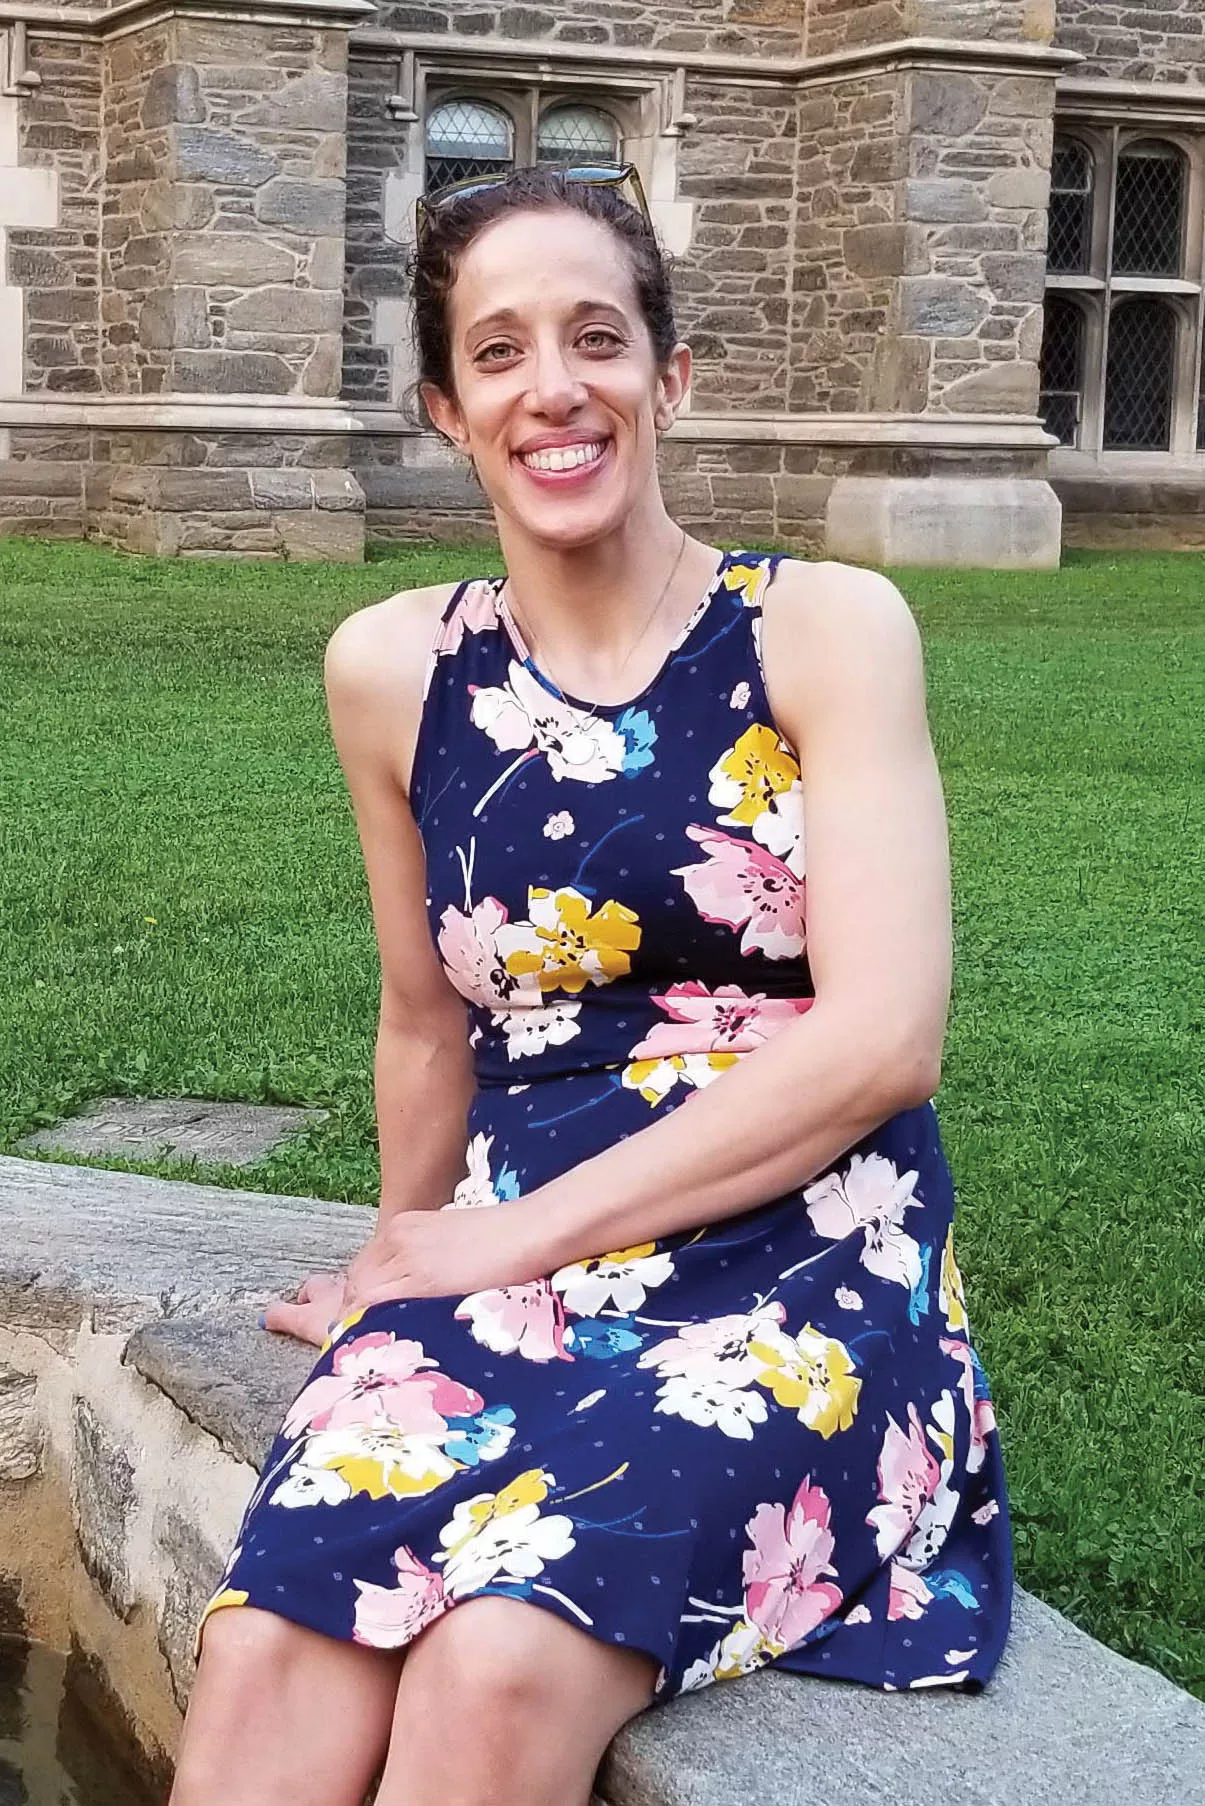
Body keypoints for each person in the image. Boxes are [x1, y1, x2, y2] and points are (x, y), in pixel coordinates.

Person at [169, 162, 1012, 1806]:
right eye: (498, 352)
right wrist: (394, 1261)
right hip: (512, 1271)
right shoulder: (393, 668)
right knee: (272, 1639)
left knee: (494, 1657)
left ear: (669, 377)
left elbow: (885, 1040)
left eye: (597, 337)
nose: (553, 386)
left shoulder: (825, 629)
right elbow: (427, 1019)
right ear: (445, 408)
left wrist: (495, 1240)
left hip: (805, 1262)